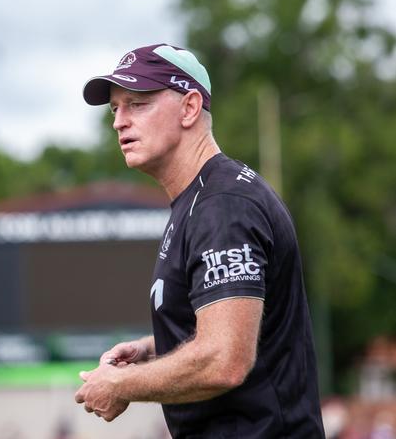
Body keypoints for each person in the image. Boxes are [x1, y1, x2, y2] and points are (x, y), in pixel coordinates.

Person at [73, 43, 325, 438]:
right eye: (115, 109)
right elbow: (234, 328)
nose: (119, 121)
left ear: (190, 108)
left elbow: (225, 359)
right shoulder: (199, 201)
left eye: (137, 104)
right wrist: (152, 349)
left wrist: (122, 385)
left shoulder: (223, 206)